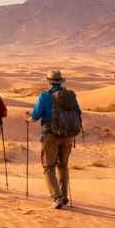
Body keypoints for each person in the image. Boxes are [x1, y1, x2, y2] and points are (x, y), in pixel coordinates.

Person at [25, 70, 82, 209]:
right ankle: (63, 196)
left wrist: (27, 118)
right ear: (61, 82)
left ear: (48, 82)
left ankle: (56, 198)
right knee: (63, 167)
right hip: (68, 136)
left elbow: (35, 116)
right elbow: (79, 113)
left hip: (50, 135)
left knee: (48, 167)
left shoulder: (44, 96)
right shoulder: (70, 96)